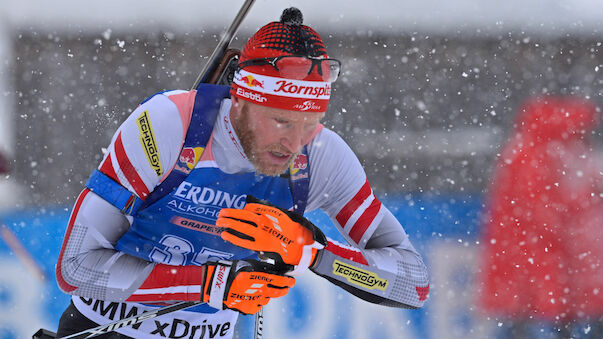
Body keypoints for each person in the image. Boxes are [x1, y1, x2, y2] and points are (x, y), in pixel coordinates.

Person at [55, 8, 430, 338]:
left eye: (311, 123)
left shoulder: (321, 158)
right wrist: (208, 285)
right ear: (242, 99)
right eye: (281, 121)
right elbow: (75, 267)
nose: (295, 142)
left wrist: (312, 252)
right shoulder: (170, 125)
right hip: (107, 330)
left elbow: (412, 284)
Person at [478, 96, 603, 338]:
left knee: (529, 312)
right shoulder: (536, 153)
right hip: (537, 252)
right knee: (538, 311)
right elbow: (541, 209)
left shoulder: (528, 149)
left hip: (527, 251)